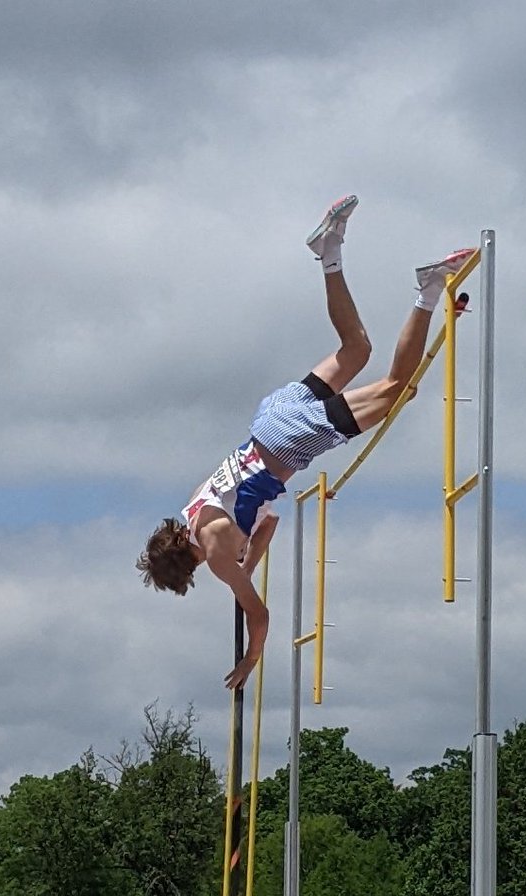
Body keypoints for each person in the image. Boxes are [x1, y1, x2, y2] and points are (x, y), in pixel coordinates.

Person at [137, 195, 474, 690]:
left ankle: (428, 288)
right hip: (268, 419)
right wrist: (245, 563)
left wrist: (252, 656)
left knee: (397, 389)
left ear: (185, 569)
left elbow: (261, 614)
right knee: (357, 349)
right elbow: (267, 521)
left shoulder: (213, 554)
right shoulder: (193, 510)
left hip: (288, 445)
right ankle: (330, 249)